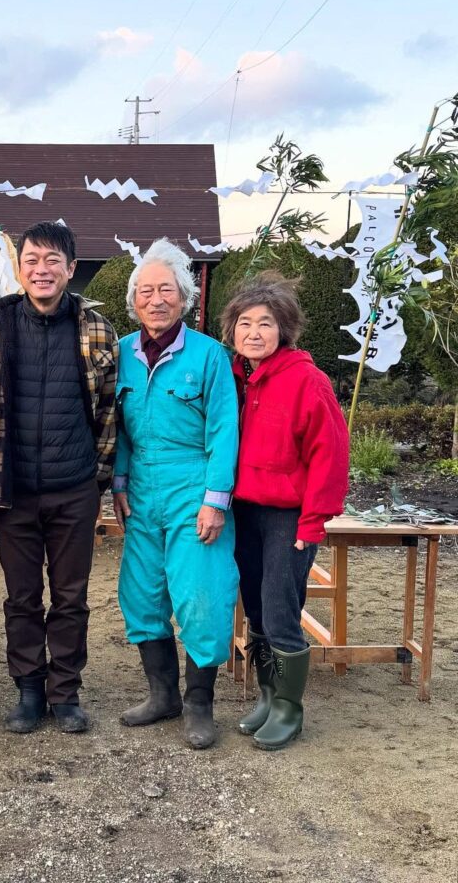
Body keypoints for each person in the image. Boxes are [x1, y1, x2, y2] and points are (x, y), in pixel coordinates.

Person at [0, 221, 118, 734]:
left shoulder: (96, 328)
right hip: (14, 490)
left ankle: (65, 691)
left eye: (53, 261)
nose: (42, 270)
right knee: (21, 597)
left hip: (74, 489)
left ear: (71, 269)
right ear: (18, 268)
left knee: (71, 597)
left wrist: (99, 482)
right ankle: (29, 689)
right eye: (32, 260)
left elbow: (111, 411)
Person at [112, 238, 239, 750]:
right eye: (146, 290)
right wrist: (119, 482)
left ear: (185, 298)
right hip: (141, 488)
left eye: (167, 289)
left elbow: (224, 430)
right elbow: (115, 427)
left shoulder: (209, 355)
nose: (156, 298)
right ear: (134, 300)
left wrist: (216, 499)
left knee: (200, 596)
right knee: (141, 593)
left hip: (193, 485)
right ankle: (161, 695)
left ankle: (199, 705)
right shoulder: (120, 352)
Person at [221, 273, 349, 750]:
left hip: (288, 516)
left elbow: (330, 453)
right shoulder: (233, 377)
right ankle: (268, 696)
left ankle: (289, 710)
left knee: (279, 609)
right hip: (245, 512)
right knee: (254, 607)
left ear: (284, 330)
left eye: (266, 324)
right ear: (232, 329)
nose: (254, 333)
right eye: (245, 323)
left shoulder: (305, 380)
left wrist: (313, 520)